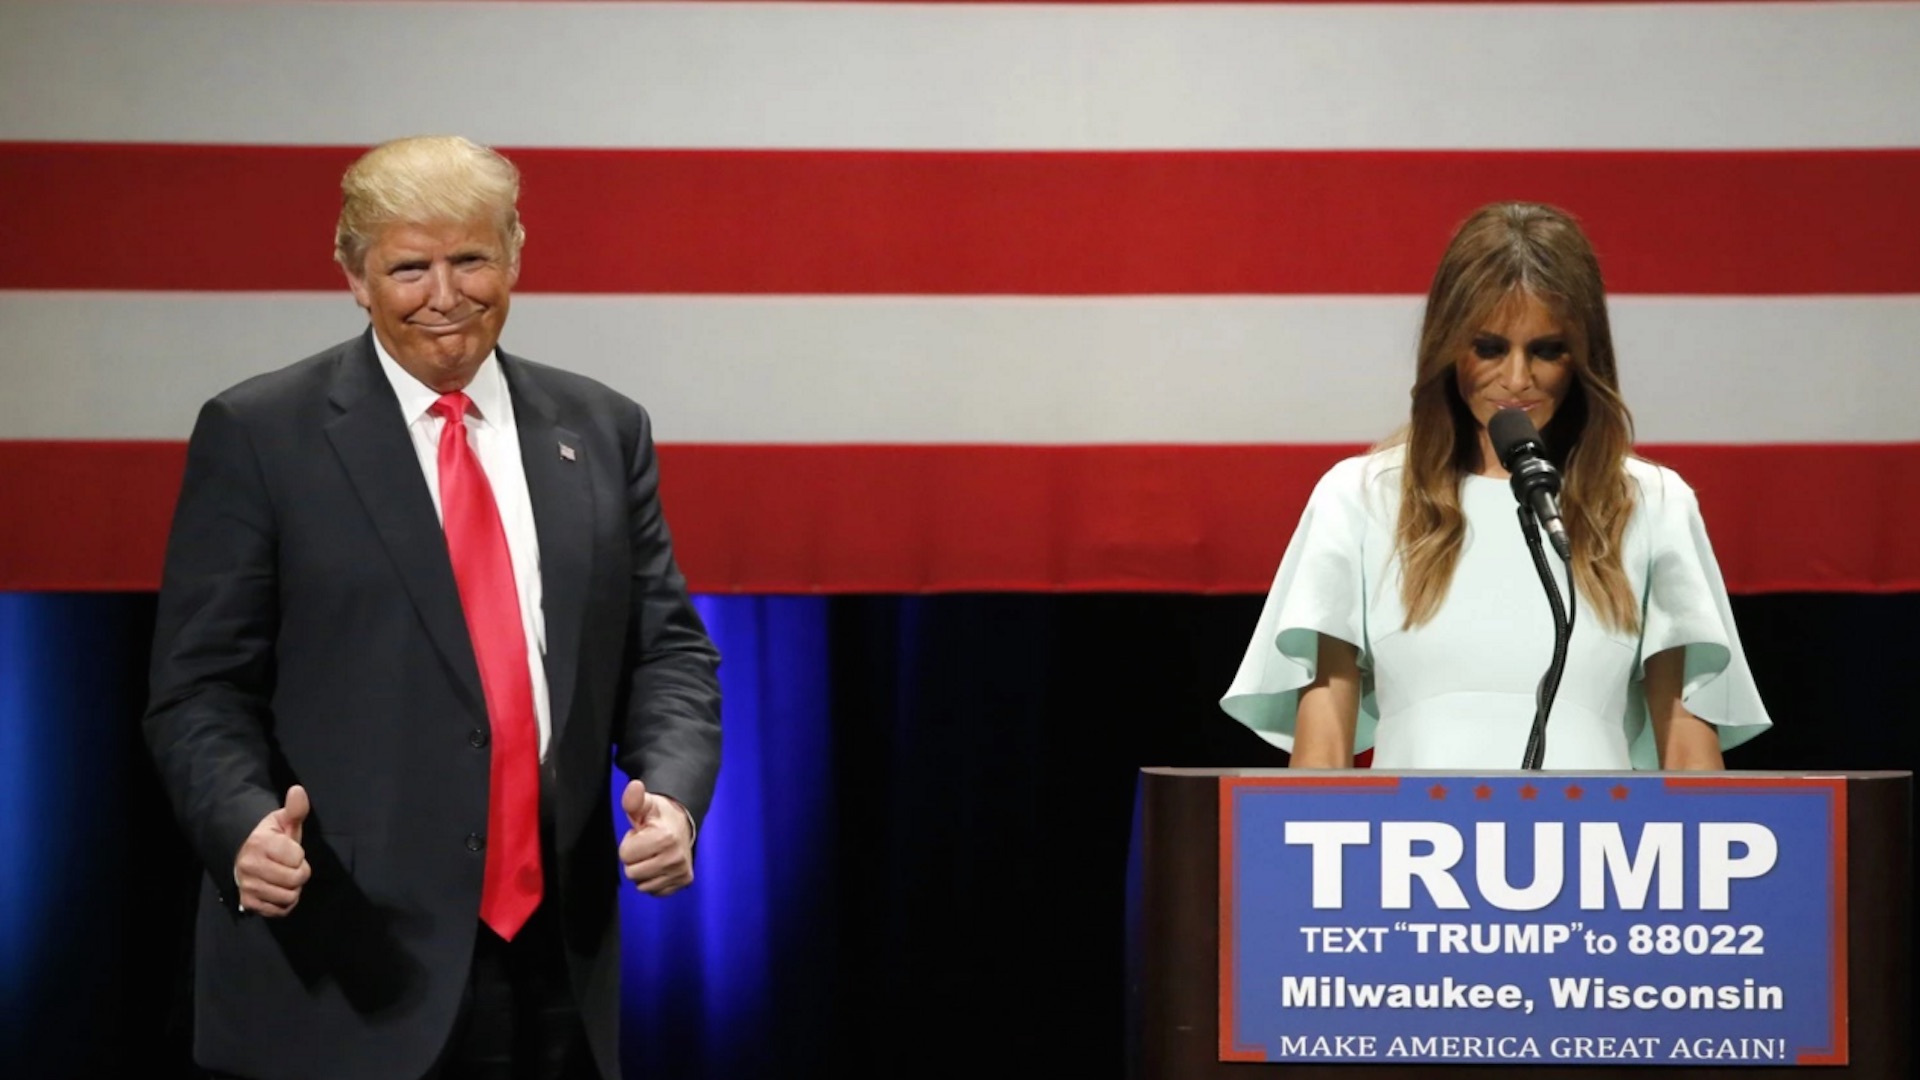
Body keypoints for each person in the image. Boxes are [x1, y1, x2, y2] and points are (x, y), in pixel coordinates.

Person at [143, 135, 722, 1080]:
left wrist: (673, 798)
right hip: (342, 958)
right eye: (410, 267)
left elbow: (667, 653)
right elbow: (199, 688)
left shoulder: (603, 429)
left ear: (517, 254)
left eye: (471, 259)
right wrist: (240, 824)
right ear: (354, 276)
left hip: (555, 968)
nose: (445, 295)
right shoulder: (260, 435)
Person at [1220, 201, 1770, 770]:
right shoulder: (1361, 497)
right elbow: (1323, 749)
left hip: (1597, 853)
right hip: (1409, 853)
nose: (1516, 379)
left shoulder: (1651, 504)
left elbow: (1689, 757)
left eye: (1546, 350)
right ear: (1447, 347)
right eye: (1488, 348)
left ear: (1583, 357)